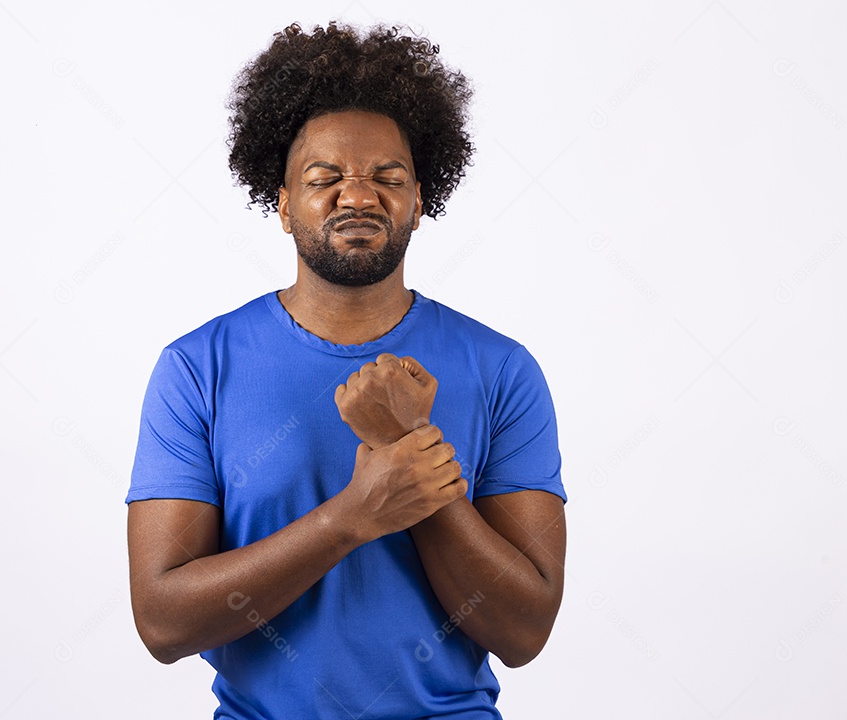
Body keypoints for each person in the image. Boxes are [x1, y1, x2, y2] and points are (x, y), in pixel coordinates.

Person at [125, 21, 567, 719]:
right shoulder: (196, 369)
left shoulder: (502, 370)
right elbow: (163, 621)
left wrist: (410, 452)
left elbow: (523, 629)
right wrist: (354, 517)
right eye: (324, 177)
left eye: (387, 178)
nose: (357, 196)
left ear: (420, 201)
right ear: (281, 204)